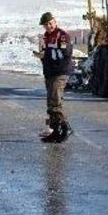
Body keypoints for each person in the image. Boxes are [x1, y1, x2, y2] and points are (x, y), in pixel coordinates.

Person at [34, 12, 74, 143]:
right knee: (51, 102)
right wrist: (42, 56)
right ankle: (55, 130)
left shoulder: (62, 36)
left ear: (55, 22)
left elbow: (64, 54)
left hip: (60, 72)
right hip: (50, 72)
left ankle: (65, 127)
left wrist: (46, 55)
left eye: (50, 23)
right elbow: (47, 54)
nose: (49, 26)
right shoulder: (46, 37)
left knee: (56, 100)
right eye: (46, 25)